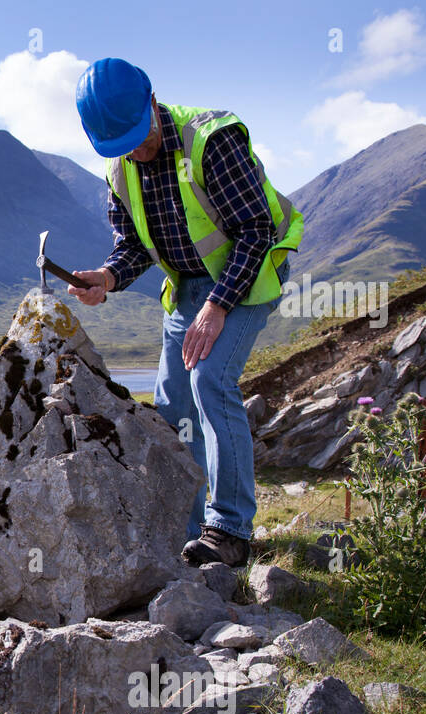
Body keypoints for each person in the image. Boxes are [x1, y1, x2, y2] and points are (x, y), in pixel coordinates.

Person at [68, 57, 303, 567]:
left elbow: (257, 230)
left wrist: (218, 307)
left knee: (212, 382)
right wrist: (106, 278)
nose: (136, 149)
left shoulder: (212, 141)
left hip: (251, 267)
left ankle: (230, 529)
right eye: (121, 145)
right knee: (174, 406)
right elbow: (132, 245)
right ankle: (187, 527)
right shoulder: (120, 169)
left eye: (139, 135)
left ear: (154, 103)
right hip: (190, 284)